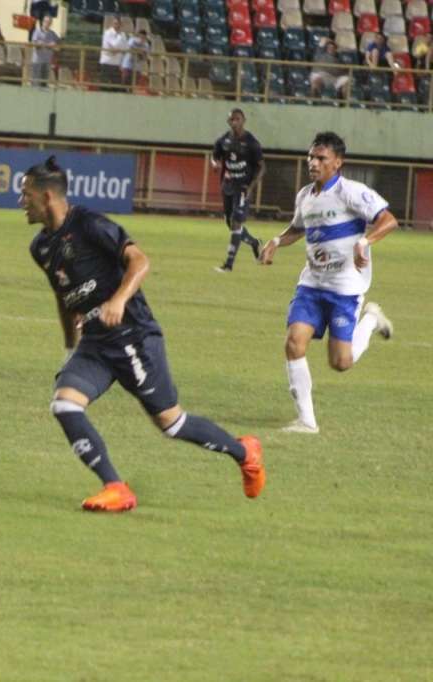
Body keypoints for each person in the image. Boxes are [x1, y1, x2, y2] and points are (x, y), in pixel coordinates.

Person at [22, 156, 264, 512]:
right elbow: (64, 297)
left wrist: (118, 300)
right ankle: (116, 488)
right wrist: (69, 349)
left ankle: (245, 452)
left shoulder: (89, 224)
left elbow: (139, 260)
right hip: (95, 343)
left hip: (133, 337)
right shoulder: (40, 247)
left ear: (47, 197)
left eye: (25, 194)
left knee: (171, 423)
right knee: (64, 404)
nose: (20, 201)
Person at [258, 131, 396, 434]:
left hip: (345, 288)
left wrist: (365, 241)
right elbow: (297, 228)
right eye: (311, 157)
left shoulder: (352, 192)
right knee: (294, 343)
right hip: (311, 284)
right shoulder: (306, 195)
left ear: (337, 162)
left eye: (321, 158)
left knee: (341, 363)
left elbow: (388, 220)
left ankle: (370, 319)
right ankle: (307, 421)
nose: (313, 162)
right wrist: (277, 241)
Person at [210, 108, 265, 272]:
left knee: (236, 222)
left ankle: (228, 265)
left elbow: (261, 167)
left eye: (237, 119)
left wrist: (251, 187)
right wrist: (215, 164)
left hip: (243, 186)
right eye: (232, 120)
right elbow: (214, 156)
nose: (234, 122)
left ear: (243, 120)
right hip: (228, 185)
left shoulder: (251, 142)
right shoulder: (223, 141)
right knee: (230, 222)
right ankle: (254, 242)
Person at [30, 15, 60, 87]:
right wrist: (39, 44)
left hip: (47, 62)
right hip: (37, 62)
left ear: (51, 24)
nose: (47, 23)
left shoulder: (52, 33)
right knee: (36, 84)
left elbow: (59, 42)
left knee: (44, 84)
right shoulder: (37, 31)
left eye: (49, 22)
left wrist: (55, 44)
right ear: (43, 22)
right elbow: (34, 43)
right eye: (45, 21)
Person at [99, 16, 126, 90]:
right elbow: (114, 46)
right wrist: (117, 49)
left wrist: (117, 50)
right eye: (115, 23)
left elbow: (124, 48)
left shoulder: (123, 35)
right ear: (112, 24)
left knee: (116, 87)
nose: (116, 25)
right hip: (107, 62)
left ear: (121, 25)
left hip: (117, 63)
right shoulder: (108, 33)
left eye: (118, 24)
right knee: (104, 85)